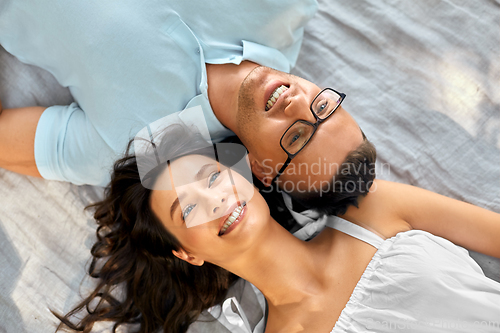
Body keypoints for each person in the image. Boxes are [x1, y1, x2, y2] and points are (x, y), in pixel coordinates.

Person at [55, 125, 500, 333]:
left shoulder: (374, 209)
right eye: (186, 208)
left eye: (212, 177)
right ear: (187, 253)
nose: (214, 200)